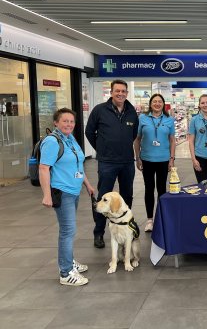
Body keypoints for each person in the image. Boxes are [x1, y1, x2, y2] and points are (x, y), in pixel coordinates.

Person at [39, 108, 95, 286]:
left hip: (74, 190)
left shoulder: (70, 139)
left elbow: (78, 163)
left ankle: (69, 261)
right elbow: (43, 168)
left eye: (71, 121)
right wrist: (47, 195)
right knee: (67, 231)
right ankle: (65, 272)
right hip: (62, 192)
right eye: (65, 121)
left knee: (69, 230)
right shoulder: (52, 141)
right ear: (56, 122)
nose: (69, 124)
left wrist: (87, 184)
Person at [85, 79, 138, 248]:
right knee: (103, 199)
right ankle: (99, 233)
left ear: (127, 93)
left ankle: (125, 228)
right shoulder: (100, 110)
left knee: (127, 196)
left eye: (123, 91)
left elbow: (133, 134)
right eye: (117, 91)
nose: (120, 94)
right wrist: (101, 149)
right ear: (111, 92)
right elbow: (89, 131)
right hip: (107, 162)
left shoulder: (131, 112)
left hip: (127, 162)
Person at [134, 94, 175, 232]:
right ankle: (150, 219)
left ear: (163, 104)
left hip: (163, 159)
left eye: (160, 102)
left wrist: (172, 158)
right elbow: (137, 139)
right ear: (150, 104)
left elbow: (172, 140)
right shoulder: (143, 118)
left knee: (162, 189)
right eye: (154, 101)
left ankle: (161, 218)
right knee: (149, 188)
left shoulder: (169, 119)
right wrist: (137, 157)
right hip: (147, 159)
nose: (157, 104)